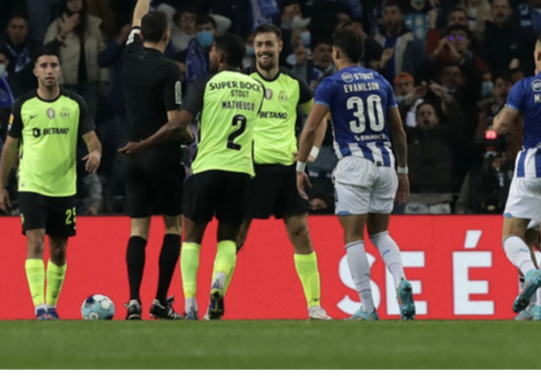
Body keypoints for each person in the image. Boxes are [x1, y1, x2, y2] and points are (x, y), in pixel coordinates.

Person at [120, 33, 265, 321]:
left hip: (208, 168)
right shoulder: (257, 87)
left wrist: (143, 144)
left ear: (220, 57)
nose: (210, 55)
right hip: (240, 171)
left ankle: (190, 305)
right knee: (227, 238)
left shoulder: (204, 84)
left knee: (192, 238)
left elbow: (179, 124)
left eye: (212, 51)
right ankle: (219, 285)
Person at [296, 28, 415, 321]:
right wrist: (403, 170)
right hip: (386, 163)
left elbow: (311, 128)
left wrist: (300, 166)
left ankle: (367, 308)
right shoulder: (381, 81)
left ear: (336, 52)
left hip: (354, 165)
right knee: (381, 232)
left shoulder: (331, 83)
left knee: (353, 238)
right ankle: (401, 280)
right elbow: (398, 130)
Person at [236, 24, 330, 320]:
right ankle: (216, 299)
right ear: (254, 48)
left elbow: (319, 118)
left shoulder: (294, 84)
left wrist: (311, 153)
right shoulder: (242, 82)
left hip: (287, 171)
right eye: (259, 44)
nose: (264, 49)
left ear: (280, 47)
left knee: (301, 233)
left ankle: (314, 306)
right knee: (235, 236)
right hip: (249, 170)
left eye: (269, 44)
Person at [0, 47, 102, 319]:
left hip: (64, 188)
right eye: (43, 65)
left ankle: (52, 305)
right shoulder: (23, 104)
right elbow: (9, 148)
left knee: (59, 250)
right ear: (35, 71)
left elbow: (93, 141)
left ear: (60, 70)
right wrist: (1, 186)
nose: (48, 70)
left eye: (53, 65)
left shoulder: (75, 103)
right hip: (31, 186)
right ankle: (40, 308)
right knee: (35, 244)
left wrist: (95, 153)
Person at [119, 0, 187, 320]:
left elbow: (137, 15)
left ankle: (132, 300)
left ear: (141, 33)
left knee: (137, 229)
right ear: (167, 36)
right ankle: (160, 300)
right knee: (174, 225)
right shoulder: (167, 69)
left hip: (129, 158)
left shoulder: (129, 55)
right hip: (160, 156)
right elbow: (174, 122)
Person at [492, 31, 541, 321]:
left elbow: (499, 126)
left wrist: (500, 123)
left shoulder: (524, 86)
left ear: (537, 55)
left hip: (531, 169)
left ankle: (529, 272)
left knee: (511, 236)